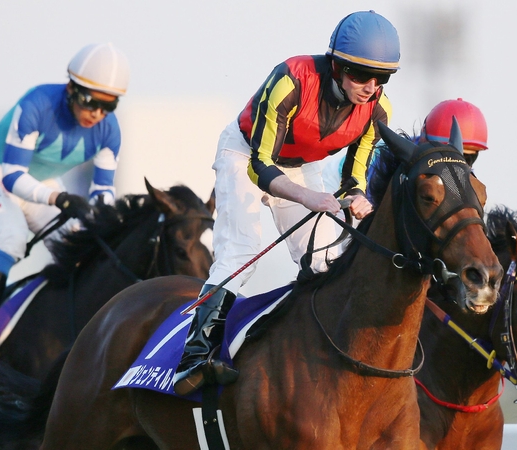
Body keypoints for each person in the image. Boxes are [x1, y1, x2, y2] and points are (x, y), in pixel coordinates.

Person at [173, 10, 400, 396]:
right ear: (337, 66)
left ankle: (315, 350)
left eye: (381, 78)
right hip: (244, 154)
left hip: (300, 165)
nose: (371, 87)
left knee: (324, 260)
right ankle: (195, 357)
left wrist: (358, 198)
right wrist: (310, 197)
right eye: (361, 75)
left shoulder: (378, 112)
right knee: (242, 253)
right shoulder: (290, 79)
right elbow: (260, 165)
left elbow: (352, 178)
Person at [0, 43, 130, 357]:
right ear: (71, 89)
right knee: (11, 238)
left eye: (108, 107)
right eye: (90, 102)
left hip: (42, 182)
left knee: (80, 247)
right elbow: (12, 176)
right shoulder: (36, 104)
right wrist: (61, 198)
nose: (97, 113)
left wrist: (102, 219)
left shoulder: (110, 132)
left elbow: (104, 192)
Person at [324, 97, 489, 209]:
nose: (461, 163)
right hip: (340, 185)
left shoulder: (463, 174)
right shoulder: (391, 156)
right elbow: (373, 204)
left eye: (469, 157)